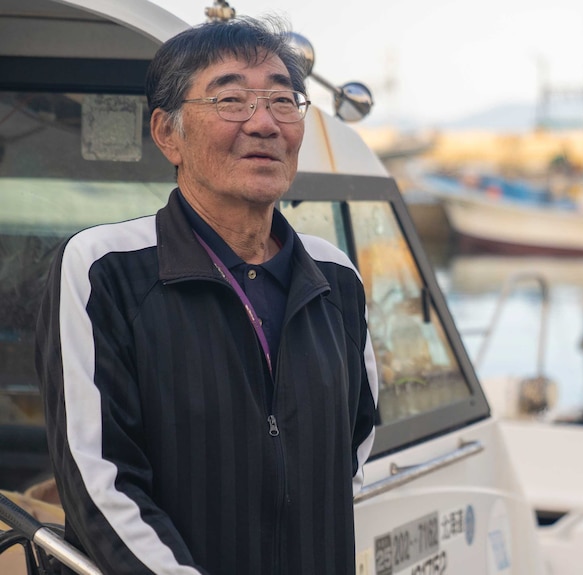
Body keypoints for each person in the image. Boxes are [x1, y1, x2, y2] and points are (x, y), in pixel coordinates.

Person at [35, 17, 378, 575]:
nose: (264, 123)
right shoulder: (105, 270)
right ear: (168, 133)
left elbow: (355, 440)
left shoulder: (336, 277)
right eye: (231, 100)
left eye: (283, 100)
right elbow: (99, 478)